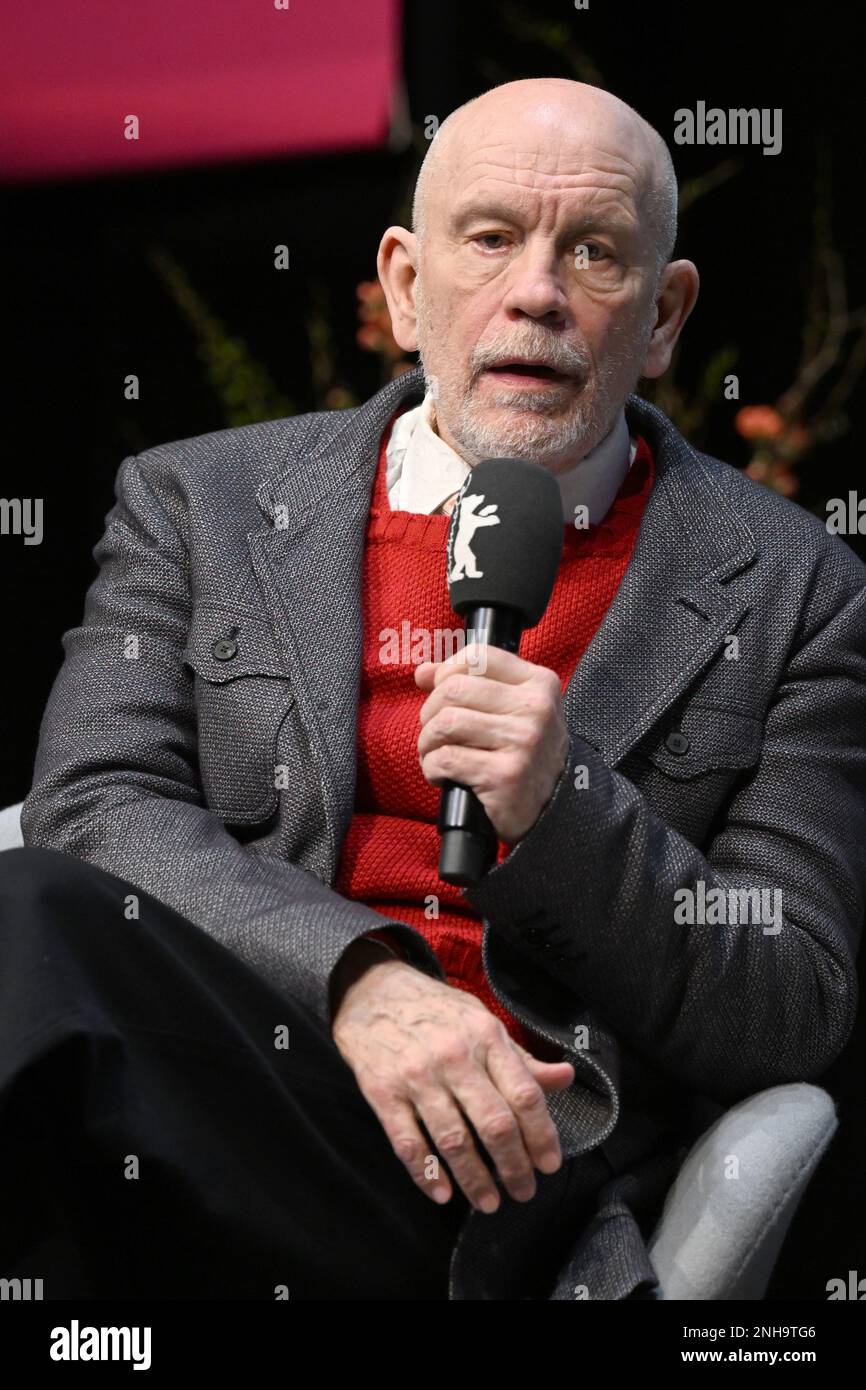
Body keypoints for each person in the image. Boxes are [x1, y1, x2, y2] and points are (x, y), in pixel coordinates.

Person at [3, 77, 865, 1300]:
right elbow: (94, 806)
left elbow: (790, 997)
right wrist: (354, 976)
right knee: (24, 911)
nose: (536, 293)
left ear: (664, 316)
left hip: (515, 1173)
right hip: (239, 1072)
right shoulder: (203, 503)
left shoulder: (795, 587)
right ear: (406, 286)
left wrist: (564, 808)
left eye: (594, 252)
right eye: (492, 238)